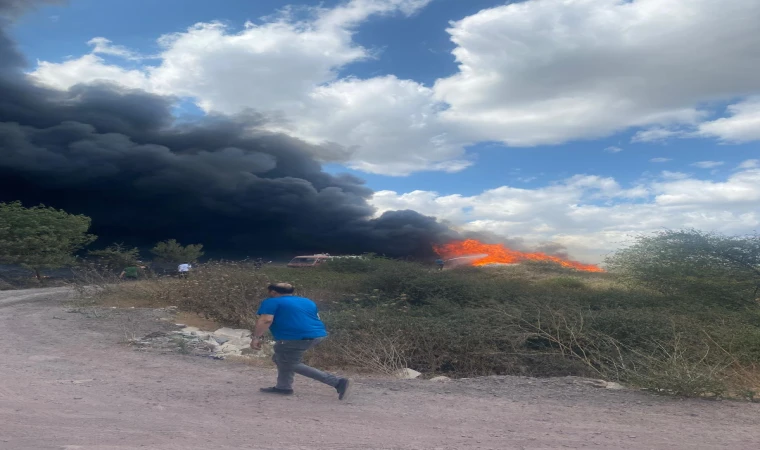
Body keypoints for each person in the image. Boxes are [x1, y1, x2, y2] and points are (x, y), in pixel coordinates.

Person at [251, 283, 351, 400]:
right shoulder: (307, 301)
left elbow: (266, 320)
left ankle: (337, 382)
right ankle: (283, 387)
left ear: (273, 292)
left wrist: (256, 338)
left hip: (294, 337)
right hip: (317, 335)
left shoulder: (272, 301)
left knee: (289, 363)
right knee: (281, 358)